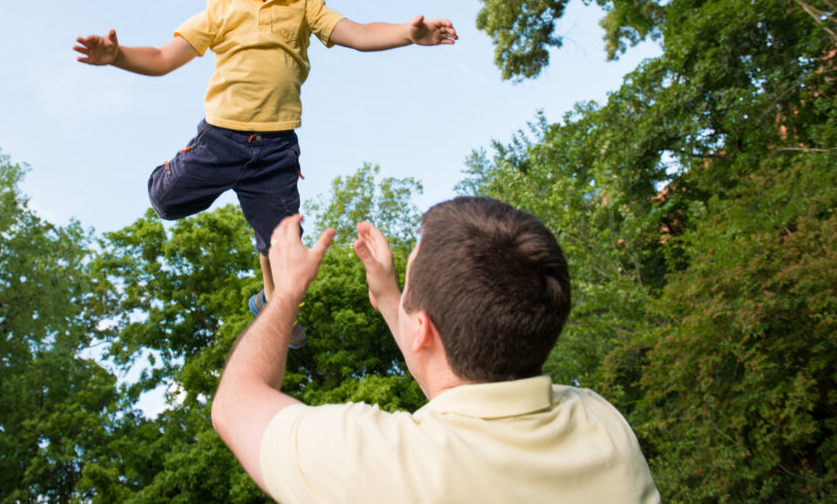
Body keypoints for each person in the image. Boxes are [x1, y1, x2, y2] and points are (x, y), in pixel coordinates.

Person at [74, 0, 457, 348]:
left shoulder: (304, 3)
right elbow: (161, 59)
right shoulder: (221, 8)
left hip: (275, 152)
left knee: (283, 247)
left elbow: (356, 32)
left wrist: (407, 36)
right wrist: (116, 57)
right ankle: (176, 168)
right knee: (165, 202)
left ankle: (272, 308)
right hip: (220, 141)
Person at [211, 197, 660, 503]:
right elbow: (460, 391)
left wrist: (286, 293)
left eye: (409, 283)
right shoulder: (602, 424)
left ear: (421, 329)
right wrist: (390, 297)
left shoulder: (369, 462)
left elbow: (235, 405)